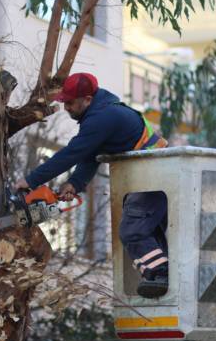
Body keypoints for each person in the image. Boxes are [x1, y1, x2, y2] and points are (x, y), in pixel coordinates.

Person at [14, 72, 169, 298]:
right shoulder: (101, 112)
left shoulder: (102, 118)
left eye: (70, 102)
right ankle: (159, 274)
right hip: (150, 175)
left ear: (87, 99)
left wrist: (30, 180)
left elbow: (72, 154)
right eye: (64, 102)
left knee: (132, 231)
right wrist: (74, 184)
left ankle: (160, 274)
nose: (66, 107)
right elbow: (89, 155)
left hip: (154, 174)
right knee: (148, 232)